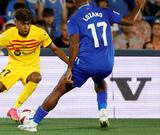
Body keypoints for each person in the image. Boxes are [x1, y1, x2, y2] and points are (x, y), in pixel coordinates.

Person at [18, 0, 145, 132]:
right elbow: (130, 21)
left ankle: (33, 123)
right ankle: (103, 111)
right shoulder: (105, 12)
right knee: (99, 79)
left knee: (58, 90)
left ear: (74, 1)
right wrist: (139, 5)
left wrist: (69, 68)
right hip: (107, 64)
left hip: (86, 64)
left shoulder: (75, 19)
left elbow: (74, 45)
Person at [0, 8, 68, 127]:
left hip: (31, 68)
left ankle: (14, 109)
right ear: (16, 22)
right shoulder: (9, 34)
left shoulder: (39, 33)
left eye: (28, 24)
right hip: (14, 67)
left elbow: (55, 49)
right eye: (23, 24)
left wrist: (70, 64)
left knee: (37, 77)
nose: (26, 27)